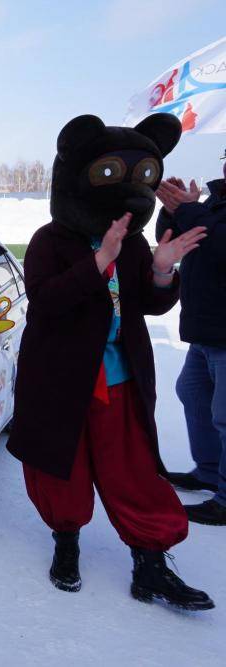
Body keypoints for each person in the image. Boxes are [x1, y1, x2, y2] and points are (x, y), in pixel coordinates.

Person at [7, 113, 214, 610]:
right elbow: (46, 300)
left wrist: (162, 273)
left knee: (134, 470)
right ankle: (66, 543)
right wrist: (98, 263)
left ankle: (150, 565)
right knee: (62, 469)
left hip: (119, 379)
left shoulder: (137, 243)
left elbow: (148, 301)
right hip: (60, 381)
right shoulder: (48, 242)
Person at [155, 148, 226, 525]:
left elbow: (219, 244)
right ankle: (210, 470)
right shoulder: (216, 201)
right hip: (207, 330)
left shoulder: (211, 209)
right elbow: (172, 238)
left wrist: (188, 209)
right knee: (193, 391)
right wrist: (173, 211)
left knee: (225, 414)